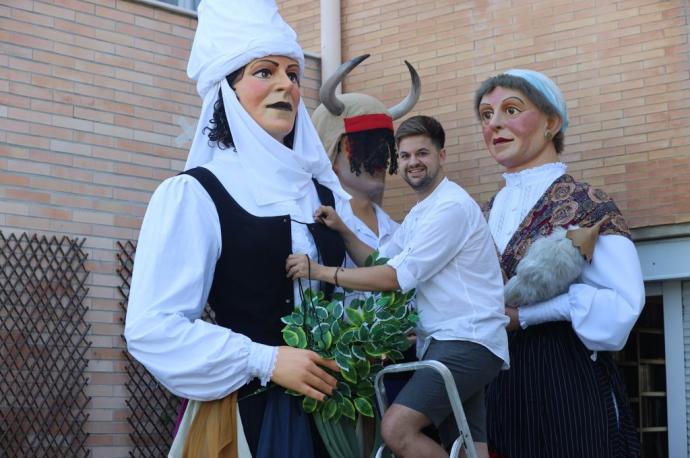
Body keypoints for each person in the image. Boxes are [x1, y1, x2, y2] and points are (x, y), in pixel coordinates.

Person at [124, 1, 351, 456]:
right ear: (227, 91)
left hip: (338, 415)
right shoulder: (195, 194)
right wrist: (264, 359)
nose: (286, 83)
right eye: (264, 72)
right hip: (250, 418)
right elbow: (153, 326)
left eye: (293, 73)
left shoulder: (323, 193)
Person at [286, 115, 509, 458]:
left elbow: (393, 278)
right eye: (404, 156)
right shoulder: (423, 211)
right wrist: (344, 230)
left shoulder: (450, 208)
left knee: (396, 428)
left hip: (465, 341)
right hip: (451, 342)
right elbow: (379, 262)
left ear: (441, 156)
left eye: (422, 153)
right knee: (467, 448)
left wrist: (320, 271)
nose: (413, 163)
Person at [474, 69, 645, 458]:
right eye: (485, 115)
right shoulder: (480, 214)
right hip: (496, 390)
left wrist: (530, 315)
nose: (494, 123)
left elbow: (621, 308)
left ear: (552, 122)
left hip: (566, 380)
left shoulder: (589, 205)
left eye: (510, 109)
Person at [312, 54, 421, 303]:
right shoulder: (313, 222)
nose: (379, 157)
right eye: (362, 146)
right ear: (330, 150)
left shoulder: (399, 230)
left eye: (385, 146)